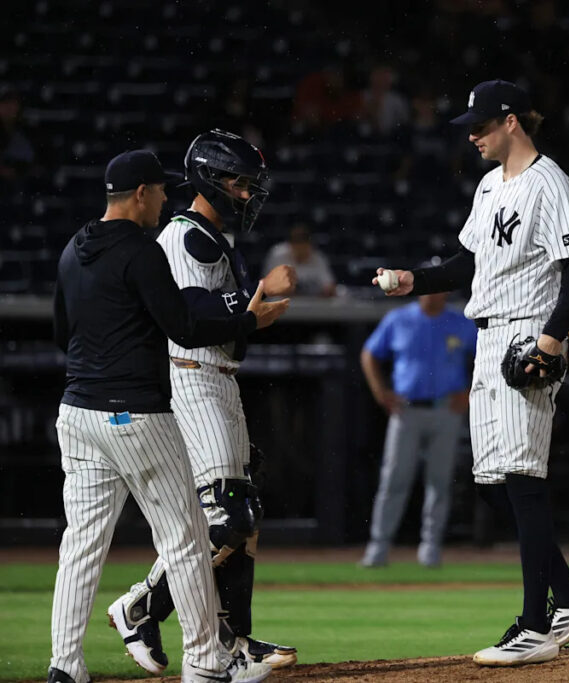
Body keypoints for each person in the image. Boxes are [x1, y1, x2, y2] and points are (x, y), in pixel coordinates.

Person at [372, 79, 569, 666]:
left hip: (527, 330)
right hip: (489, 332)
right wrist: (412, 280)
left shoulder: (551, 184)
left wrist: (550, 343)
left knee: (523, 475)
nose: (471, 135)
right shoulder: (487, 184)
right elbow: (467, 263)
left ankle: (536, 624)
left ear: (511, 122)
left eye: (479, 125)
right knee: (498, 478)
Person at [49, 149, 285, 683]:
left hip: (76, 411)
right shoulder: (141, 250)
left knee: (81, 545)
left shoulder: (72, 248)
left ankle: (64, 666)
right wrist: (249, 315)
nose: (162, 199)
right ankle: (205, 664)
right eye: (158, 191)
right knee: (184, 538)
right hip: (136, 413)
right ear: (139, 194)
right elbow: (185, 326)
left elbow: (62, 333)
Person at [106, 130, 299, 672]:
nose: (246, 194)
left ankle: (234, 641)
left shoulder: (212, 238)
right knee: (227, 515)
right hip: (193, 378)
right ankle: (141, 606)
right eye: (239, 183)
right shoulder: (187, 236)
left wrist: (251, 309)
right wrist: (256, 293)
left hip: (219, 378)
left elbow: (221, 319)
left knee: (245, 513)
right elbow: (194, 314)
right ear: (211, 179)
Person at [359, 290, 477, 568]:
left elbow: (487, 355)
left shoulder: (462, 321)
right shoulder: (399, 318)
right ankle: (378, 548)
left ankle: (431, 549)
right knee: (394, 480)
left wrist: (470, 391)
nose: (431, 294)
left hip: (445, 409)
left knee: (439, 481)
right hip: (406, 410)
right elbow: (369, 354)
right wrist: (380, 392)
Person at [262, 224, 336, 297]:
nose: (300, 246)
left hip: (311, 305)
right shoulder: (278, 255)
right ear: (290, 243)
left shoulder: (318, 258)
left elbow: (329, 287)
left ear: (310, 244)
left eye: (303, 241)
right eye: (297, 241)